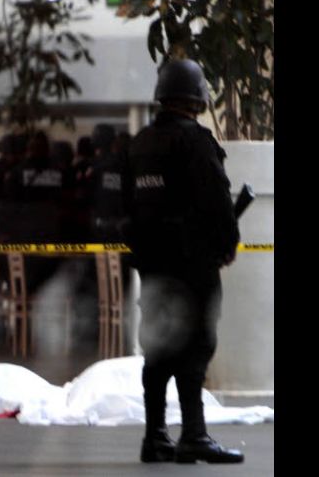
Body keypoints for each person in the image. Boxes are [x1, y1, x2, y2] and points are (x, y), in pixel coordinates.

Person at [125, 59, 243, 464]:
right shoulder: (196, 142)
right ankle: (194, 435)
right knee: (197, 346)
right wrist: (227, 244)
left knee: (158, 347)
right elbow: (217, 201)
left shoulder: (139, 143)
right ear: (198, 97)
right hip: (192, 264)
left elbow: (127, 206)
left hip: (152, 266)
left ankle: (155, 437)